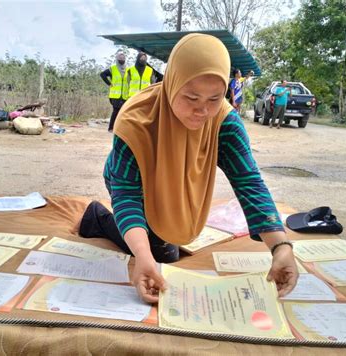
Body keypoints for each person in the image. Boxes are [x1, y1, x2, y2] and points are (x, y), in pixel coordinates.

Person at [80, 34, 298, 303]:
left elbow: (248, 181)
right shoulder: (135, 120)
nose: (202, 111)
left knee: (169, 237)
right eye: (191, 97)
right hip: (129, 180)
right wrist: (142, 257)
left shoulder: (224, 123)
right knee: (159, 253)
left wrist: (280, 246)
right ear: (171, 84)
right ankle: (97, 217)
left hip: (179, 182)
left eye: (214, 98)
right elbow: (127, 195)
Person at [100, 51, 128, 132]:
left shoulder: (128, 69)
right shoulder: (113, 68)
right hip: (115, 95)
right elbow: (102, 74)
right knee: (116, 111)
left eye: (123, 58)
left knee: (123, 112)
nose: (122, 59)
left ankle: (120, 128)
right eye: (120, 57)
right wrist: (109, 83)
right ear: (117, 58)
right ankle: (111, 128)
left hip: (124, 95)